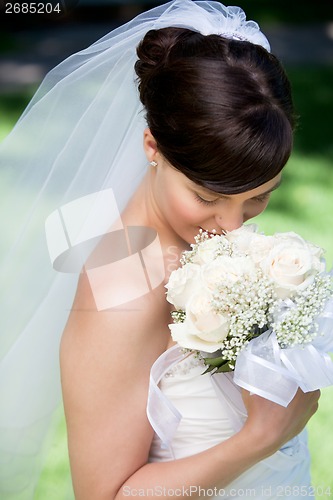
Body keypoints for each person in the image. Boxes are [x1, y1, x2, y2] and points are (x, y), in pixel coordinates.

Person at [0, 1, 320, 499]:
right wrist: (259, 438)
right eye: (207, 197)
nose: (232, 226)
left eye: (260, 195)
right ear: (152, 146)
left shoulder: (203, 242)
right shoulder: (122, 289)